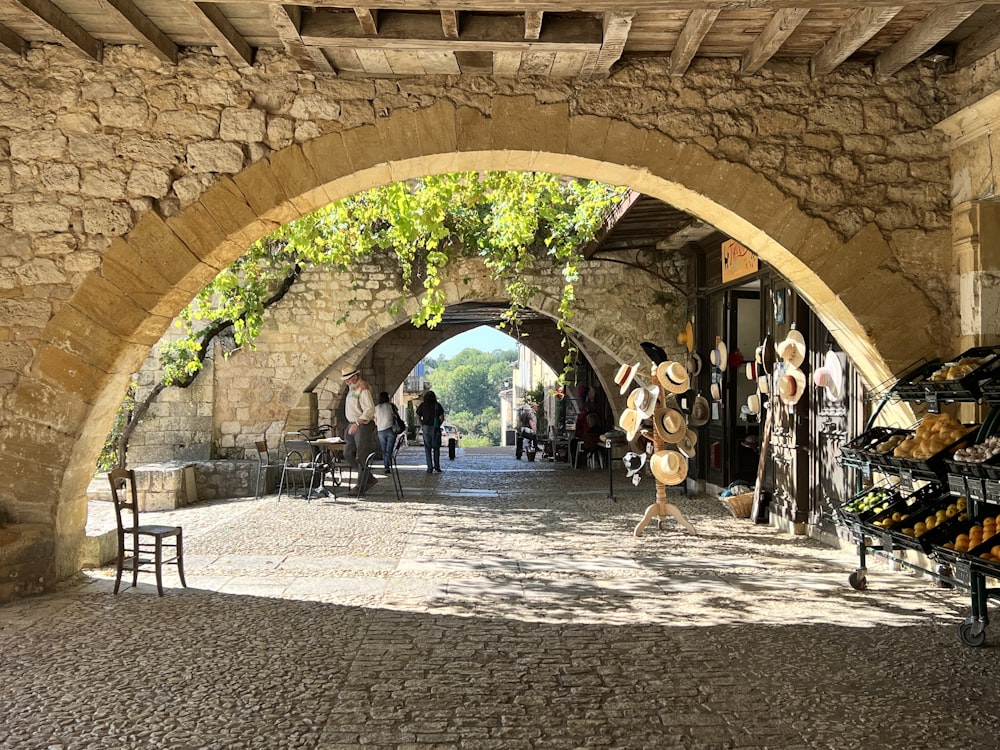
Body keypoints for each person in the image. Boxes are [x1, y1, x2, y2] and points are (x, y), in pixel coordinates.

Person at [341, 365, 377, 494]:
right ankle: (369, 478)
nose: (347, 381)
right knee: (347, 453)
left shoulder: (363, 388)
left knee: (361, 455)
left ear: (355, 376)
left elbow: (369, 409)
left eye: (348, 379)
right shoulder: (352, 388)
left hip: (361, 424)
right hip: (352, 424)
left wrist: (357, 422)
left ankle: (360, 486)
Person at [416, 390, 445, 473]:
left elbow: (418, 416)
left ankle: (429, 467)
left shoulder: (423, 405)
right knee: (436, 448)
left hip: (426, 428)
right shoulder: (437, 405)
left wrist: (422, 424)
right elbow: (442, 417)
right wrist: (438, 424)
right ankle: (437, 466)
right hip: (435, 428)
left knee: (427, 448)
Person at [374, 391, 400, 473]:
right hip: (390, 429)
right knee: (389, 449)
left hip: (380, 430)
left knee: (383, 449)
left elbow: (375, 419)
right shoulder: (391, 406)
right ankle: (387, 466)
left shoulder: (376, 408)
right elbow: (396, 416)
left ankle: (386, 466)